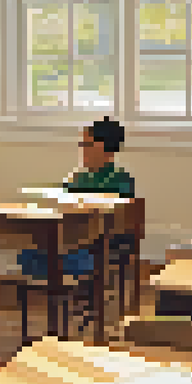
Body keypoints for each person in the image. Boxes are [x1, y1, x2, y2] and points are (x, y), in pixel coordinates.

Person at [19, 117, 136, 279]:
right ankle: (57, 287)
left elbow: (118, 224)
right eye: (82, 145)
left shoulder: (121, 180)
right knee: (27, 255)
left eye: (88, 145)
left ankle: (66, 285)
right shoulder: (77, 178)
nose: (82, 150)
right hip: (69, 240)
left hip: (97, 246)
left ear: (104, 148)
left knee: (74, 259)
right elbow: (61, 204)